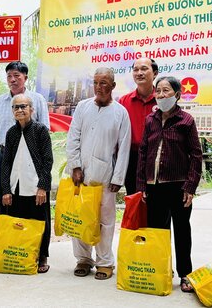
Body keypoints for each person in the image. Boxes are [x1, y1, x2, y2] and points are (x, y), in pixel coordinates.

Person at [136, 75, 202, 293]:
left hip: (178, 186)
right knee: (158, 232)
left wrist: (190, 187)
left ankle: (185, 274)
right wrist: (142, 186)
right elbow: (143, 153)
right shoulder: (150, 120)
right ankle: (161, 269)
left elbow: (195, 155)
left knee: (182, 231)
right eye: (158, 91)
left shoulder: (186, 120)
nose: (161, 95)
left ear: (177, 95)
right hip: (154, 185)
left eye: (166, 91)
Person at [66, 67, 131, 280]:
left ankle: (105, 262)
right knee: (81, 217)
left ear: (112, 86)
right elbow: (73, 138)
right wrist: (75, 166)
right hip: (81, 174)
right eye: (95, 82)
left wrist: (118, 178)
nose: (99, 87)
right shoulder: (83, 107)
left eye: (104, 83)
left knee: (106, 220)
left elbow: (124, 147)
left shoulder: (121, 112)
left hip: (105, 175)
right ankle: (83, 259)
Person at [0, 93, 54, 274]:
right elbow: (5, 163)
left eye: (24, 106)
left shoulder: (40, 131)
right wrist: (6, 190)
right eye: (16, 107)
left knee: (40, 222)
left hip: (35, 187)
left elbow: (48, 161)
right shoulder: (11, 133)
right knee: (17, 222)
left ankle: (42, 256)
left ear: (32, 109)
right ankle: (19, 254)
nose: (20, 110)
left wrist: (43, 187)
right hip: (16, 187)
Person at [0, 62, 49, 215]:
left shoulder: (37, 99)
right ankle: (8, 235)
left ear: (26, 77)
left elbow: (45, 130)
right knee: (6, 196)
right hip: (4, 156)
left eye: (17, 75)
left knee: (33, 198)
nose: (13, 80)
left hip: (32, 156)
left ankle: (33, 236)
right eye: (9, 76)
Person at [119, 57, 159, 195]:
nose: (139, 73)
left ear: (155, 73)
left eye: (144, 69)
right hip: (132, 159)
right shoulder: (124, 101)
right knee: (134, 200)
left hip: (157, 158)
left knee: (157, 203)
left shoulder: (162, 100)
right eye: (135, 70)